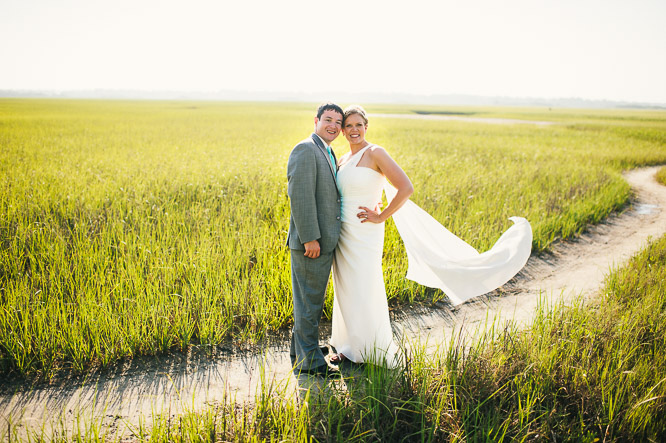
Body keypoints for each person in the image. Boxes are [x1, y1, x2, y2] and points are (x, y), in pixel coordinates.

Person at [329, 105, 532, 367]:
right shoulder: (343, 159)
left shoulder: (375, 152)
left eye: (359, 124)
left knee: (364, 285)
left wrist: (381, 216)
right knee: (345, 285)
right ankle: (348, 346)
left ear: (366, 127)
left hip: (365, 232)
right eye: (349, 126)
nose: (354, 130)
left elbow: (406, 187)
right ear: (343, 131)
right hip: (343, 232)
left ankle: (371, 349)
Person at [286, 102, 344, 378]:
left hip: (321, 241)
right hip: (312, 243)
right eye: (328, 119)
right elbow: (301, 196)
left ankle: (301, 350)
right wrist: (310, 238)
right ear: (316, 120)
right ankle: (310, 362)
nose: (333, 125)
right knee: (310, 301)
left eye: (338, 122)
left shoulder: (327, 150)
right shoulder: (306, 149)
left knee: (308, 299)